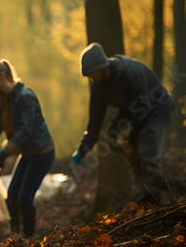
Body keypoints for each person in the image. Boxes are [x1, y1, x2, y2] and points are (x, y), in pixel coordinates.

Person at [72, 42, 174, 204]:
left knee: (147, 148)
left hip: (157, 108)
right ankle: (148, 193)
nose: (91, 79)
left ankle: (157, 196)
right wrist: (83, 148)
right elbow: (95, 121)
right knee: (128, 148)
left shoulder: (131, 73)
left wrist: (131, 135)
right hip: (132, 111)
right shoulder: (98, 88)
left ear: (102, 66)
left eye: (92, 74)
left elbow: (144, 108)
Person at [0, 58, 55, 236]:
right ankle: (15, 236)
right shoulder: (2, 100)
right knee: (11, 198)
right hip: (27, 153)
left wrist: (5, 152)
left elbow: (26, 129)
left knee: (24, 199)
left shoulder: (25, 97)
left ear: (2, 76)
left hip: (42, 152)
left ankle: (28, 240)